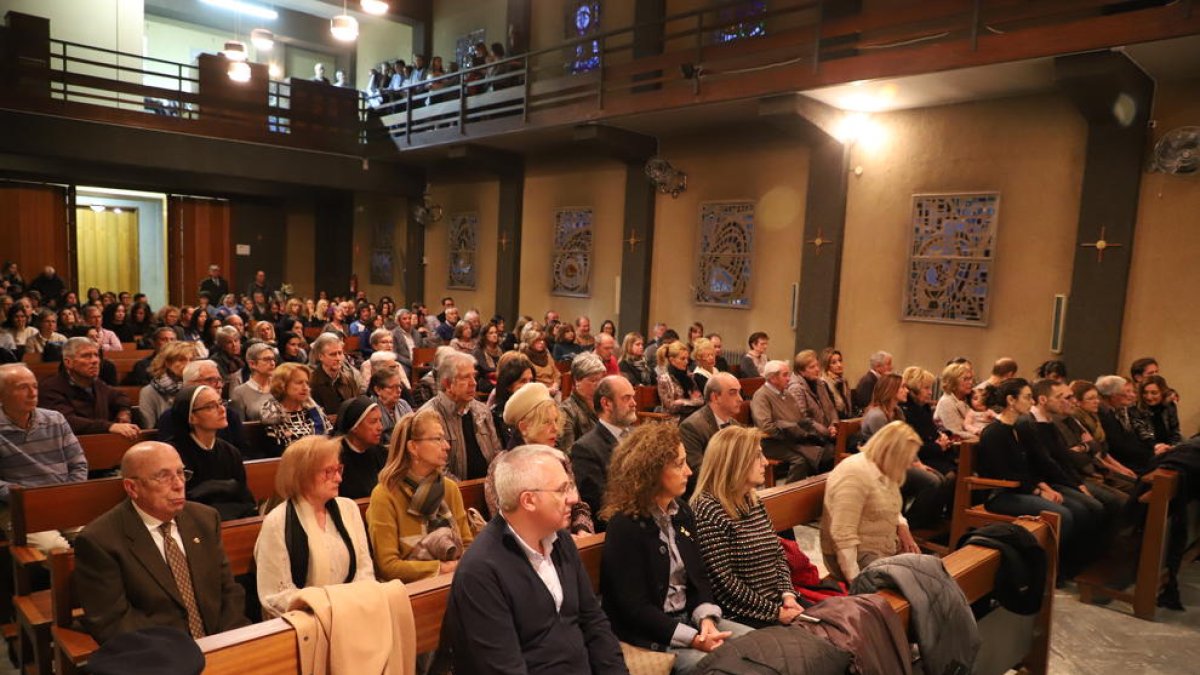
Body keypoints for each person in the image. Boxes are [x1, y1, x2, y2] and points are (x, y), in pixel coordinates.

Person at [444, 445, 629, 675]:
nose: (573, 498)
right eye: (562, 489)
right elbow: (502, 667)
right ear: (529, 500)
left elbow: (594, 623)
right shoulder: (481, 570)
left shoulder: (561, 540)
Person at [600, 423, 750, 672]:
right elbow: (634, 609)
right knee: (726, 668)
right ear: (651, 471)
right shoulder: (625, 526)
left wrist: (707, 621)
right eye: (679, 464)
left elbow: (699, 579)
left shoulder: (682, 512)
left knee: (760, 646)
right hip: (652, 635)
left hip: (692, 620)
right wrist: (692, 638)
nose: (689, 471)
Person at [74, 442, 249, 643]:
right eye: (164, 476)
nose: (178, 484)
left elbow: (228, 590)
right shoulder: (100, 540)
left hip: (221, 642)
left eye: (181, 473)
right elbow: (114, 621)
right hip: (159, 655)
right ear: (132, 488)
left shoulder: (205, 519)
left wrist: (232, 642)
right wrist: (181, 655)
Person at [975, 378, 1101, 578]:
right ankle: (1043, 571)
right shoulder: (994, 432)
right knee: (1063, 515)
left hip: (1021, 488)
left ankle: (1059, 566)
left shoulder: (1019, 428)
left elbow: (1028, 467)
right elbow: (1003, 474)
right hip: (1001, 494)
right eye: (1026, 397)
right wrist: (1039, 491)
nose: (1031, 402)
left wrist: (1045, 487)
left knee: (1073, 508)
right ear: (1011, 400)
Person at [690, 426, 805, 627]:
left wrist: (788, 595)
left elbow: (777, 554)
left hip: (779, 604)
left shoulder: (752, 500)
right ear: (735, 462)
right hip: (745, 615)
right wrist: (774, 612)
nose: (766, 462)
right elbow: (723, 583)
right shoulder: (707, 509)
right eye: (757, 456)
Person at [254, 435, 375, 618]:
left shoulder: (348, 508)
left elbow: (364, 570)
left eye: (339, 469)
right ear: (302, 475)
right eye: (329, 471)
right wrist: (325, 609)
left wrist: (351, 605)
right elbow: (275, 594)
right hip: (305, 621)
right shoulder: (277, 521)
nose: (339, 478)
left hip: (352, 613)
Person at [367, 408, 472, 584]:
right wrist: (440, 568)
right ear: (413, 447)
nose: (446, 445)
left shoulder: (449, 488)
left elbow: (468, 545)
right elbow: (387, 566)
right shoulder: (385, 495)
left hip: (456, 581)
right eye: (437, 439)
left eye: (444, 438)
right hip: (410, 592)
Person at [0, 364, 88, 553]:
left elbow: (78, 464)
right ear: (2, 395)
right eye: (23, 387)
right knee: (56, 548)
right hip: (19, 509)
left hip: (63, 500)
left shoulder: (55, 419)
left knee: (96, 539)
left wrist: (66, 494)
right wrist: (32, 499)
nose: (33, 393)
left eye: (35, 386)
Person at [821, 421, 922, 582]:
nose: (909, 465)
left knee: (928, 573)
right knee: (912, 584)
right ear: (891, 453)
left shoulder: (885, 467)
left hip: (883, 547)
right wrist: (856, 582)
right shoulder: (854, 474)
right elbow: (843, 536)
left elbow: (890, 504)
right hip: (857, 555)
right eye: (906, 458)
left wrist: (902, 526)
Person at [168, 385, 255, 521]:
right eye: (210, 406)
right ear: (192, 417)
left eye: (221, 403)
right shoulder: (172, 454)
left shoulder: (230, 452)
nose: (222, 410)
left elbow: (245, 498)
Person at [419, 351, 501, 480]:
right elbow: (436, 470)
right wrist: (464, 492)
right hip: (451, 494)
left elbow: (497, 454)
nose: (473, 383)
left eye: (474, 376)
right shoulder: (429, 417)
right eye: (465, 377)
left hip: (487, 488)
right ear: (447, 384)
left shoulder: (482, 410)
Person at [751, 360, 831, 482]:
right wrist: (790, 433)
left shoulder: (787, 394)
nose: (789, 379)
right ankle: (788, 495)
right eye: (785, 375)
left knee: (826, 451)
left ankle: (812, 489)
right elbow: (765, 426)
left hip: (793, 437)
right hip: (772, 442)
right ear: (772, 378)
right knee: (801, 460)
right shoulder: (761, 396)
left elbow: (799, 418)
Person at [40, 337, 137, 437]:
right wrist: (109, 426)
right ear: (68, 362)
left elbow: (120, 396)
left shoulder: (97, 384)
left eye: (96, 355)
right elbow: (68, 421)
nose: (95, 361)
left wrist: (124, 412)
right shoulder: (50, 387)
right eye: (86, 356)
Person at [679, 373, 743, 497]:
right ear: (715, 397)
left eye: (739, 392)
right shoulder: (692, 427)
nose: (740, 398)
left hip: (732, 490)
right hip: (706, 496)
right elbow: (698, 473)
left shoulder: (735, 425)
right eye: (732, 392)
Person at [261, 362, 331, 457]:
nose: (305, 388)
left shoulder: (314, 409)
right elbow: (276, 451)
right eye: (299, 383)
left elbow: (330, 439)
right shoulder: (271, 413)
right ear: (282, 385)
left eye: (307, 383)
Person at [1095, 375, 1155, 475]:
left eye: (1133, 391)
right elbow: (1117, 447)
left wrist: (1154, 449)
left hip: (1135, 459)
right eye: (1127, 391)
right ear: (1112, 394)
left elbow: (1142, 435)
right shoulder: (1104, 414)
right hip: (1123, 463)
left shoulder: (1125, 411)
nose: (1132, 395)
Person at [333, 397, 387, 499]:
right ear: (354, 427)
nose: (380, 427)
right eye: (373, 422)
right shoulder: (335, 457)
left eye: (380, 420)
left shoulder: (381, 452)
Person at [136, 341, 196, 429]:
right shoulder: (148, 392)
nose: (188, 364)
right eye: (181, 360)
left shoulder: (196, 387)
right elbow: (149, 428)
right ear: (167, 363)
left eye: (191, 360)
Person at [559, 352, 605, 451]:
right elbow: (568, 451)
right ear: (577, 381)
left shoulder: (606, 405)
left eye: (601, 379)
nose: (599, 385)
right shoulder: (566, 411)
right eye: (593, 380)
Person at [309, 333, 360, 415]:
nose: (338, 358)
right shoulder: (311, 382)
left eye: (340, 353)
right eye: (332, 354)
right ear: (321, 357)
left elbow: (355, 407)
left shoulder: (349, 379)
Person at [491, 353, 535, 447]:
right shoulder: (496, 416)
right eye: (523, 381)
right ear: (509, 386)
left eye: (531, 380)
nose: (529, 385)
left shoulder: (538, 409)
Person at [1130, 374, 1182, 447]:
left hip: (1168, 447)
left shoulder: (1169, 406)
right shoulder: (1136, 408)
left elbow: (1175, 432)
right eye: (1145, 393)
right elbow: (1143, 435)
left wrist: (1173, 447)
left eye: (1154, 393)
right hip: (1147, 448)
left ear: (1162, 392)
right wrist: (1158, 447)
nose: (1149, 397)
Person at [229, 342, 276, 422]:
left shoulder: (279, 386)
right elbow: (240, 426)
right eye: (266, 359)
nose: (272, 363)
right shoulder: (240, 393)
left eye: (273, 359)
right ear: (252, 364)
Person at [367, 367, 413, 447]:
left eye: (399, 386)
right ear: (378, 390)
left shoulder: (403, 404)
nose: (399, 390)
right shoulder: (369, 408)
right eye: (392, 387)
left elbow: (413, 429)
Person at [935, 361, 978, 442]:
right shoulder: (946, 402)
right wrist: (983, 436)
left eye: (971, 378)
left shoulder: (967, 399)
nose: (971, 382)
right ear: (953, 383)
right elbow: (955, 433)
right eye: (966, 379)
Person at [657, 342, 703, 418]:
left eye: (687, 358)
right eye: (682, 359)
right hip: (674, 420)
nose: (686, 362)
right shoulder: (664, 379)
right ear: (672, 360)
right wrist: (690, 402)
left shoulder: (688, 376)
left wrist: (683, 402)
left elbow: (700, 400)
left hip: (691, 416)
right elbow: (670, 407)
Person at [521, 329, 561, 395]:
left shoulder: (547, 356)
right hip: (536, 392)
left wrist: (555, 385)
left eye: (543, 340)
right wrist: (546, 390)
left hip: (553, 390)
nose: (542, 342)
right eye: (538, 340)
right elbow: (528, 381)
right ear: (531, 342)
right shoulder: (525, 358)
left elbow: (557, 374)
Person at [209, 326, 244, 396]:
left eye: (236, 340)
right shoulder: (216, 361)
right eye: (229, 342)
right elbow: (223, 384)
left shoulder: (244, 354)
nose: (234, 345)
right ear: (222, 345)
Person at [819, 347, 853, 419]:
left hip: (846, 419)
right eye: (834, 362)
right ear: (827, 366)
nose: (839, 365)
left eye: (840, 361)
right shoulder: (823, 383)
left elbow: (847, 405)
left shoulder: (843, 381)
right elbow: (831, 409)